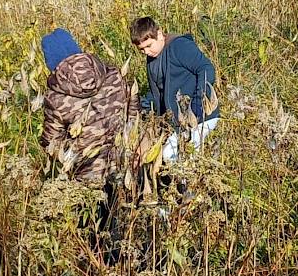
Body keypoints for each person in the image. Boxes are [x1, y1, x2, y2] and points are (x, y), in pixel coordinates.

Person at [39, 28, 139, 185]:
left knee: (95, 209)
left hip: (87, 170)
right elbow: (133, 110)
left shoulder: (55, 98)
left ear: (50, 62)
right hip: (125, 160)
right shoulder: (113, 73)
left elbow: (51, 143)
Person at [130, 16, 220, 163]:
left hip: (202, 117)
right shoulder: (152, 59)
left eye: (149, 45)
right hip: (179, 123)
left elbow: (206, 69)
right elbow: (159, 92)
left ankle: (189, 185)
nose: (146, 52)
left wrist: (198, 104)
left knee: (174, 156)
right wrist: (143, 106)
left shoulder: (179, 46)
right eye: (141, 49)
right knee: (167, 157)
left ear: (159, 34)